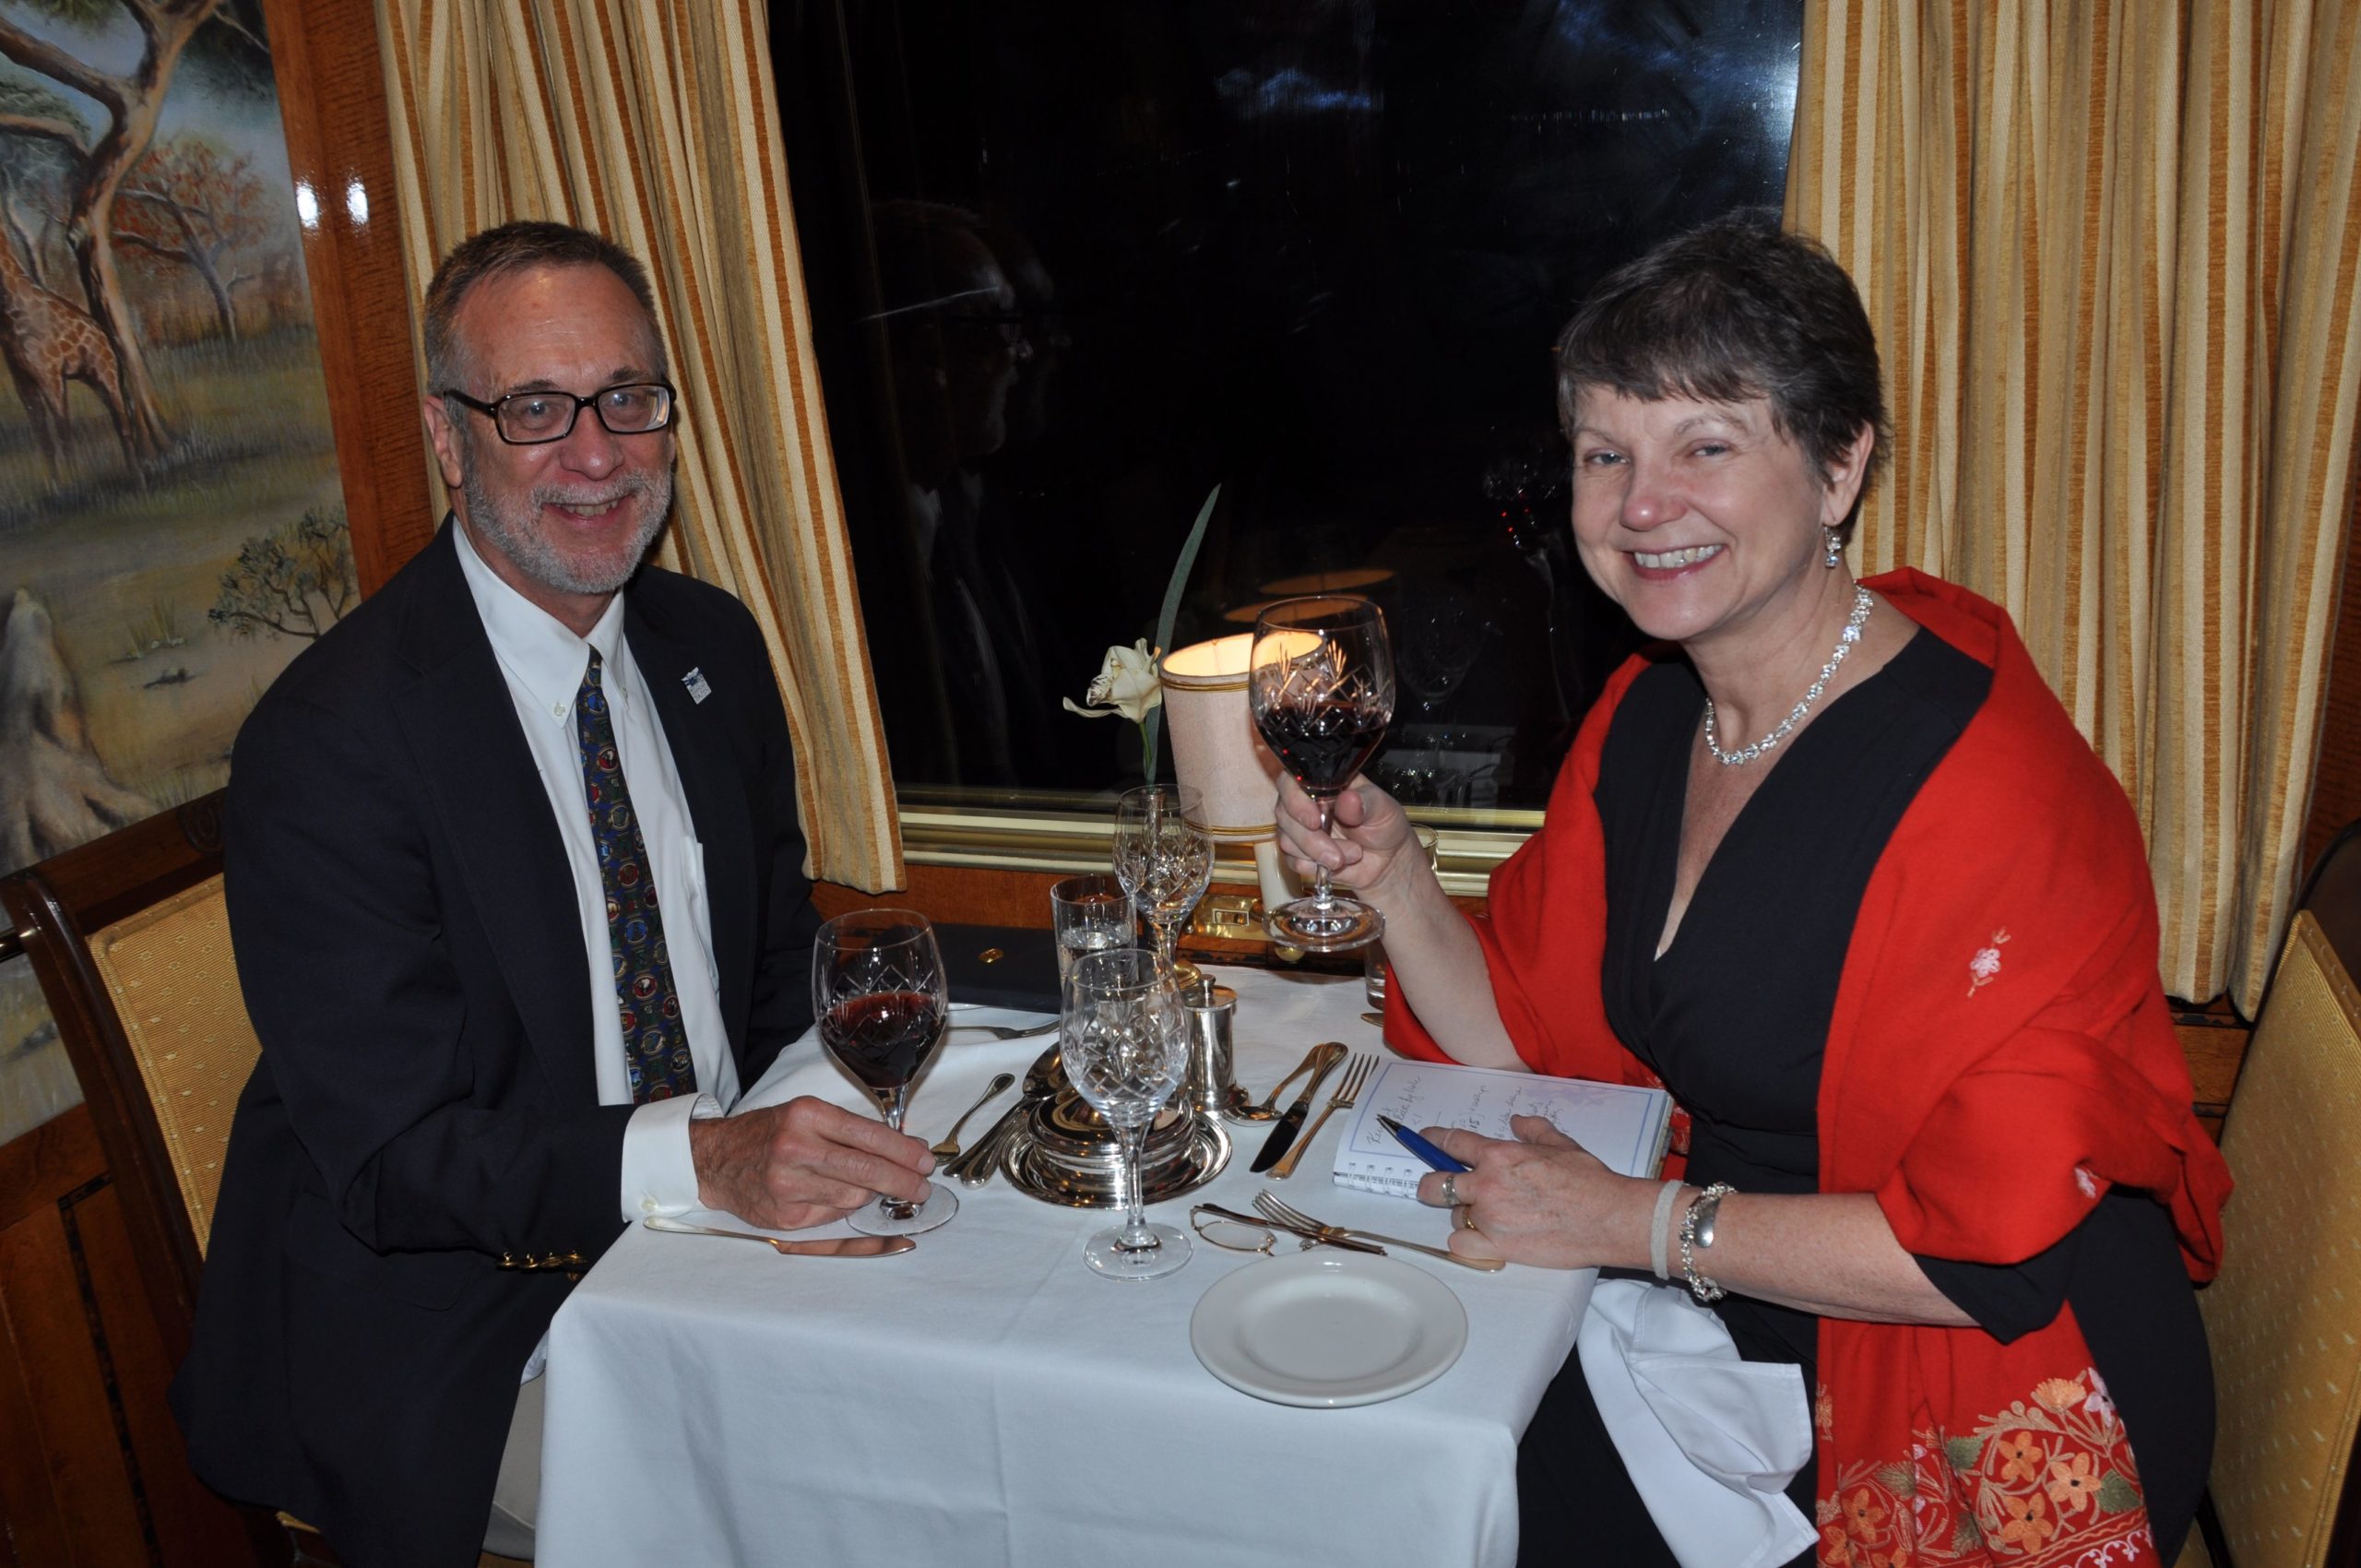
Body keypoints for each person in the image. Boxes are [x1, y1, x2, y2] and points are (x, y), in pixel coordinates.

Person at [1276, 210, 2233, 1568]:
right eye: (1605, 454)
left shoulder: (1996, 798)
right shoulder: (1653, 715)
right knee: (1376, 1454)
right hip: (1727, 1307)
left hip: (1978, 1364)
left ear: (1840, 467)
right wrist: (1400, 880)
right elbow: (1534, 1043)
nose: (1639, 506)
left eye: (1705, 448)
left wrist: (1640, 1224)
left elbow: (1983, 1260)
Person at [170, 221, 938, 1567]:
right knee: (842, 1496)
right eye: (535, 408)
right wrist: (704, 1164)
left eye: (626, 398)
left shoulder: (710, 644)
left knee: (965, 1394)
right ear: (446, 435)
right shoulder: (334, 741)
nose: (595, 453)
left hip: (712, 1250)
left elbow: (769, 976)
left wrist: (859, 1103)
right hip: (464, 1323)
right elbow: (400, 1165)